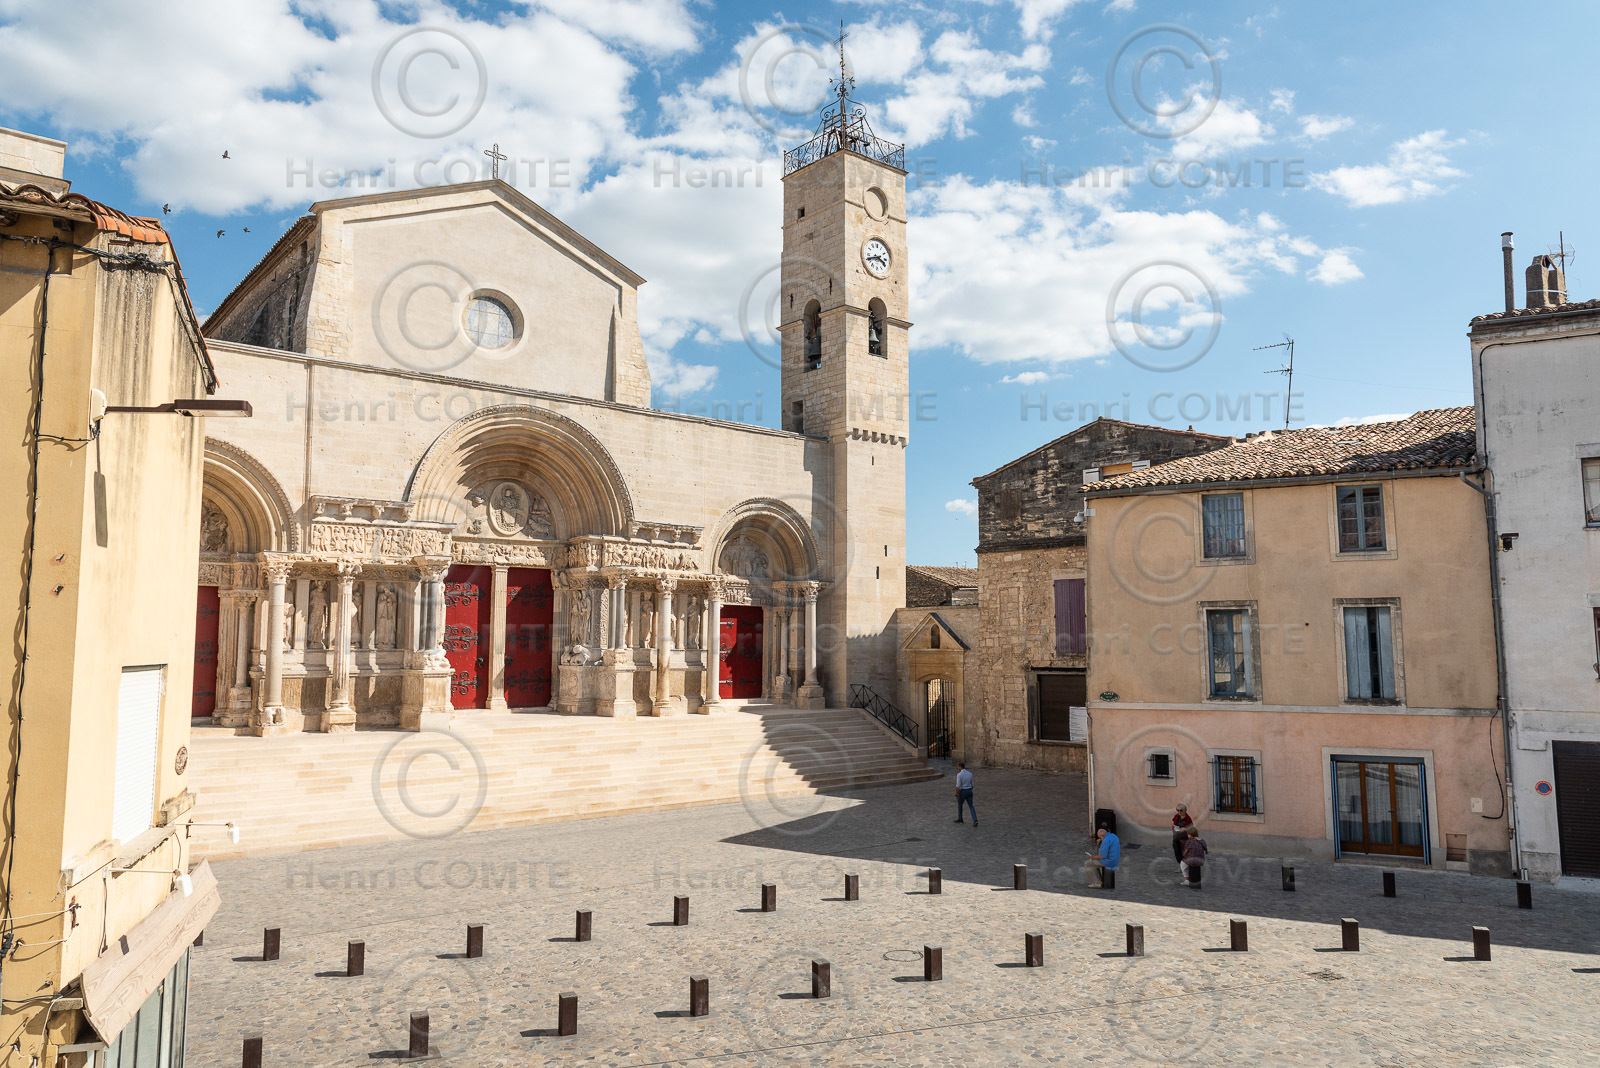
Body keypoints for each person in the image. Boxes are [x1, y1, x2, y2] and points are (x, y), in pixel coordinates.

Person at [1171, 804, 1194, 872]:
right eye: (1177, 810)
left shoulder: (1188, 819)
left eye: (1180, 810)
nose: (1179, 812)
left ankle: (1186, 865)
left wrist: (1184, 829)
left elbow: (1191, 829)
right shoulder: (1176, 816)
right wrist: (1173, 828)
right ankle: (1181, 865)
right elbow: (1173, 824)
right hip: (1176, 836)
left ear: (1185, 810)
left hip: (1185, 837)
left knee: (1184, 851)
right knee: (1177, 850)